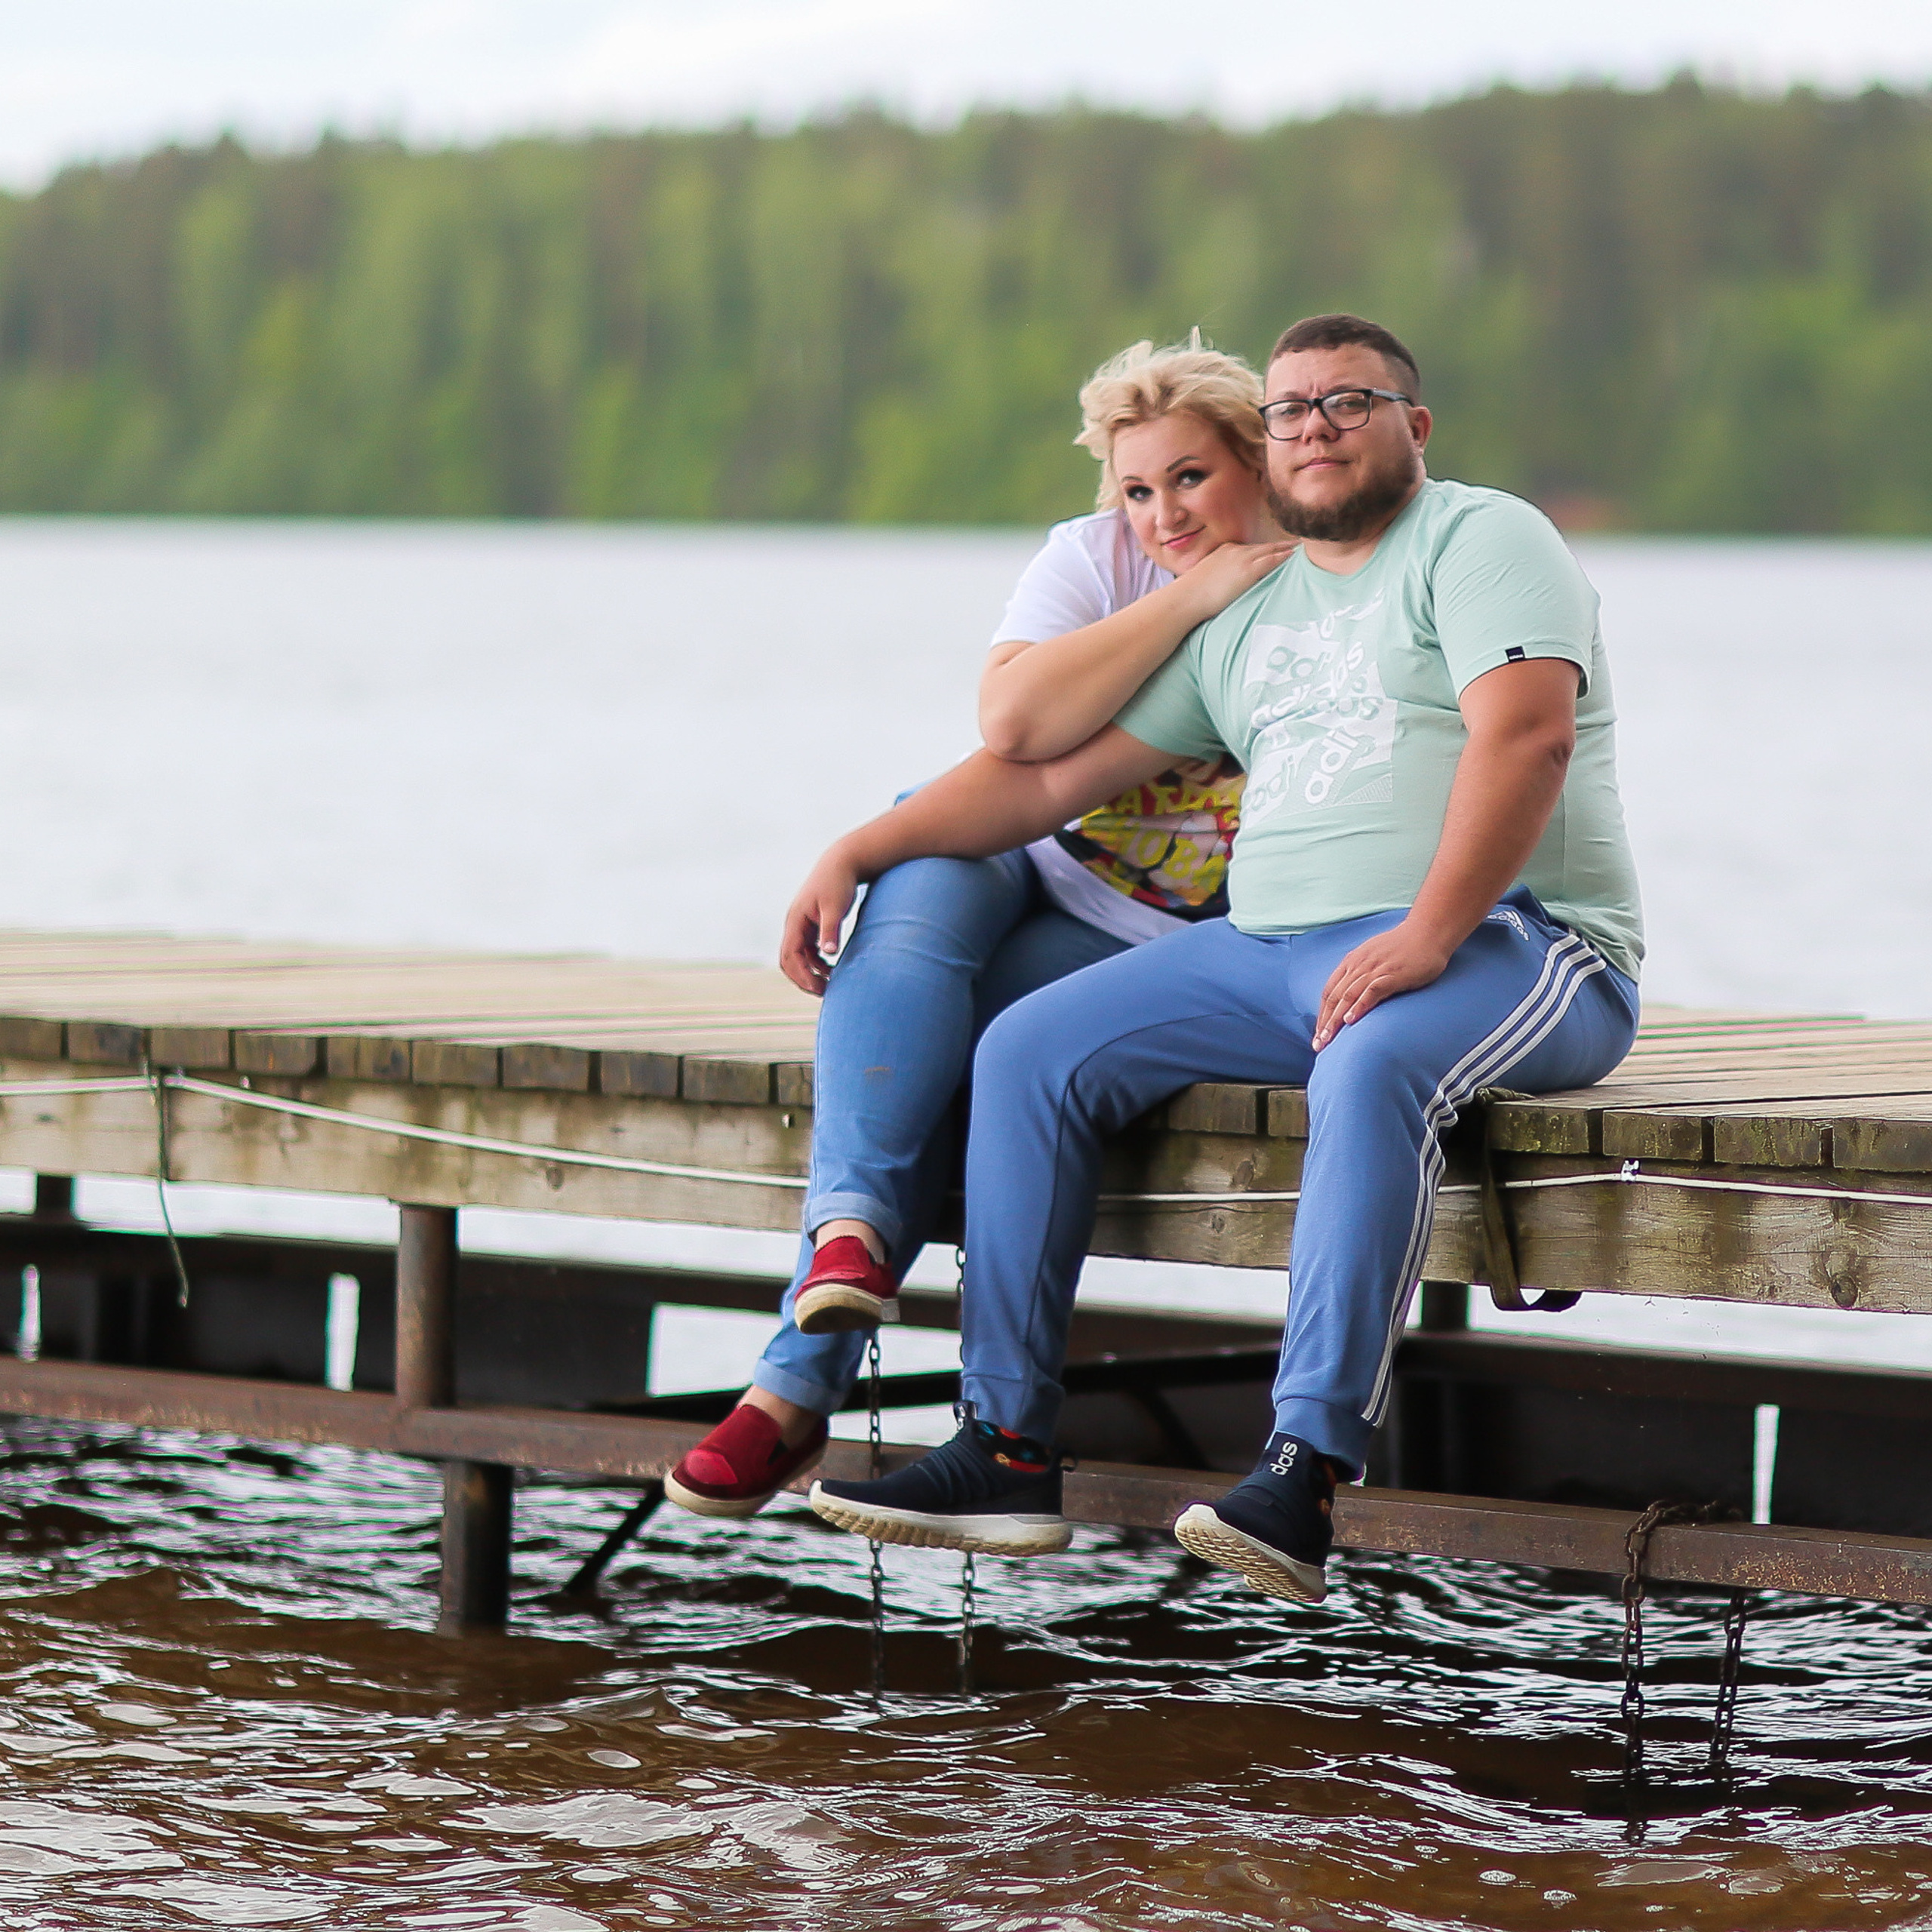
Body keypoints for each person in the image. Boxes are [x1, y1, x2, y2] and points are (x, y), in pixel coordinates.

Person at [800, 312, 1644, 1607]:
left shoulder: (1482, 539)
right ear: (1272, 440)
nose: (1316, 427)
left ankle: (1302, 1472)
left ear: (1413, 426)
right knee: (1027, 1049)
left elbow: (1525, 742)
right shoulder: (1254, 609)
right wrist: (858, 846)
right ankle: (1006, 1446)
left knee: (1369, 1069)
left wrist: (1424, 933)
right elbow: (1040, 779)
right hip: (1275, 951)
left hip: (1515, 944)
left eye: (1349, 403)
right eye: (1294, 408)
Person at [663, 338, 1294, 1518]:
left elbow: (1046, 758)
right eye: (1139, 489)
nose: (1162, 514)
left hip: (1155, 942)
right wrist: (851, 849)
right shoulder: (1094, 557)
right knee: (917, 880)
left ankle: (790, 1395)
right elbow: (1011, 723)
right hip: (1022, 857)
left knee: (948, 1060)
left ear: (1258, 461)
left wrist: (1222, 591)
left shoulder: (1310, 592)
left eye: (1192, 480)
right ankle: (847, 1237)